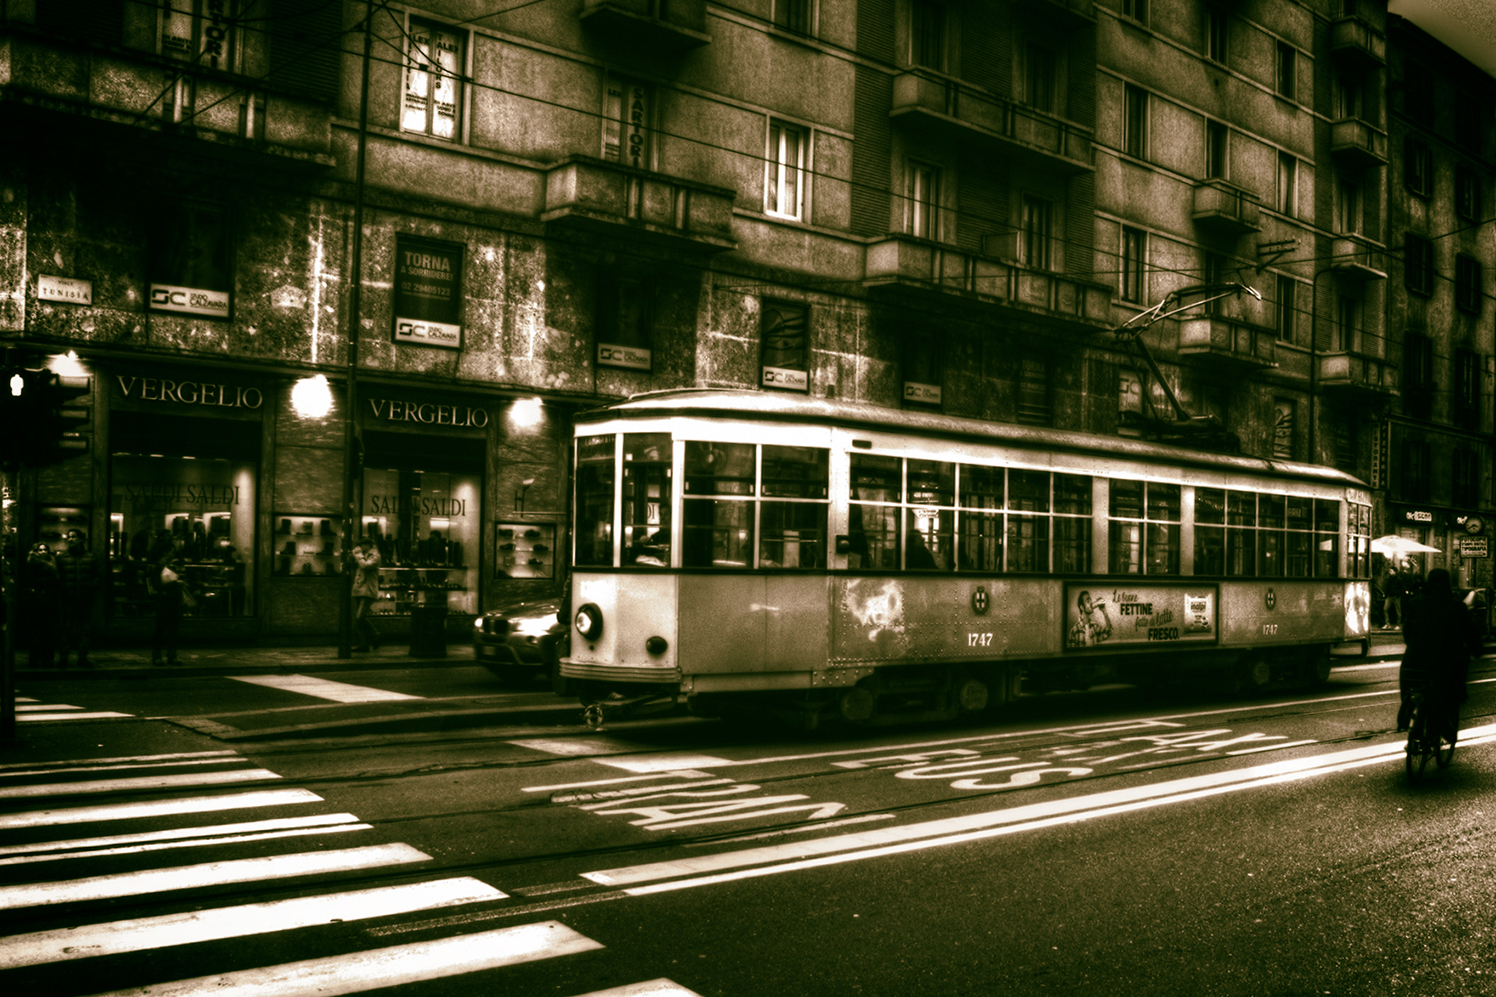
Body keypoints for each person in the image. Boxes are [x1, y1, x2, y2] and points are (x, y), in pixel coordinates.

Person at [1397, 568, 1480, 736]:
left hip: (1413, 664)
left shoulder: (1415, 604)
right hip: (1443, 666)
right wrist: (1477, 650)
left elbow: (1407, 633)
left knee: (1412, 685)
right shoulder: (1457, 607)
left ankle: (1407, 711)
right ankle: (1443, 722)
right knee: (1453, 679)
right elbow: (1470, 634)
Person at [55, 529, 100, 668]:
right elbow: (58, 576)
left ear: (81, 539)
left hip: (84, 598)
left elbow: (97, 575)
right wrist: (62, 590)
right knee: (66, 628)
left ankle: (82, 656)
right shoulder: (62, 557)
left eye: (73, 537)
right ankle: (64, 656)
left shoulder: (91, 557)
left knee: (84, 629)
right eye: (69, 537)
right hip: (68, 598)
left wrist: (91, 588)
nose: (70, 539)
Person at [21, 542, 62, 668]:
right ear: (35, 552)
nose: (43, 552)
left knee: (49, 633)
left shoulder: (54, 563)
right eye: (40, 550)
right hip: (36, 602)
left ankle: (47, 660)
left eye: (45, 550)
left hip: (50, 601)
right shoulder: (32, 564)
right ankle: (35, 660)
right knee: (36, 632)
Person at [152, 557, 186, 666]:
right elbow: (157, 586)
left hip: (172, 603)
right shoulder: (157, 569)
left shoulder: (168, 568)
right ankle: (160, 655)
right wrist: (176, 584)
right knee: (161, 630)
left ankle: (170, 655)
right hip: (164, 603)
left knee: (172, 631)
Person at [349, 541, 382, 651]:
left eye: (362, 545)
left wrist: (358, 554)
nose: (360, 547)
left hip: (368, 590)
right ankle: (364, 645)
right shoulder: (363, 555)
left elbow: (365, 565)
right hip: (359, 589)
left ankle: (376, 634)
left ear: (368, 545)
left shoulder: (375, 555)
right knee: (359, 620)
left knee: (360, 618)